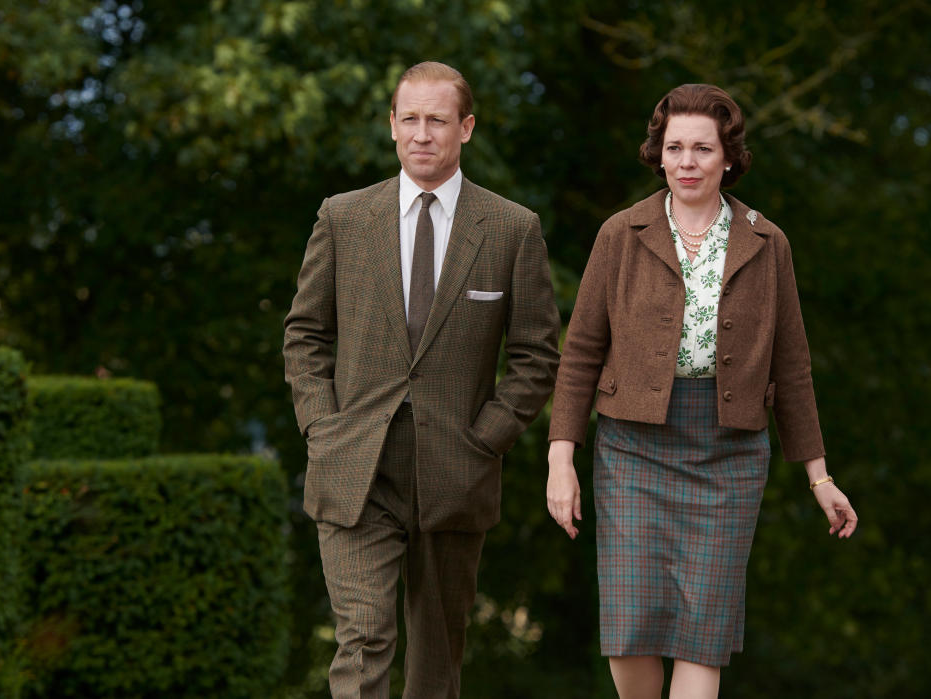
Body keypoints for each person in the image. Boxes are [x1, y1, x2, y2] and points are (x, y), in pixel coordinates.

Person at [545, 83, 857, 698]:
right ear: (658, 154)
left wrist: (819, 477)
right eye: (675, 147)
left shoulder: (768, 244)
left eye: (703, 149)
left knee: (702, 636)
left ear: (729, 158)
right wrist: (562, 459)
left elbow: (791, 365)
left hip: (729, 455)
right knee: (629, 632)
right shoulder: (620, 233)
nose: (687, 162)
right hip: (632, 448)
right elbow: (580, 351)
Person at [283, 61, 560, 699]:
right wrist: (323, 427)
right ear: (391, 127)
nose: (422, 133)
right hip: (354, 464)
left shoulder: (512, 229)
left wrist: (485, 438)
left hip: (455, 469)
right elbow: (304, 336)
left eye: (437, 120)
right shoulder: (343, 218)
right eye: (409, 119)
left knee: (437, 661)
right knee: (363, 641)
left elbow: (536, 353)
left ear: (466, 128)